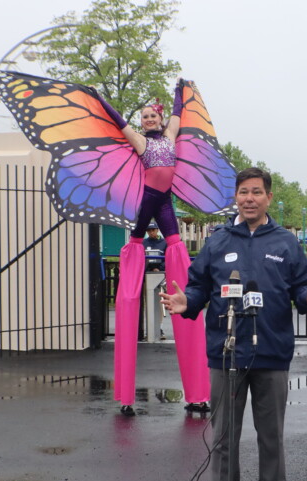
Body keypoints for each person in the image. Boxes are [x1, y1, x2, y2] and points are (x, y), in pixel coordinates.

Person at [161, 167, 307, 481]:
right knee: (224, 435)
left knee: (271, 436)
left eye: (256, 192)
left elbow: (300, 285)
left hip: (271, 351)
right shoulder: (218, 240)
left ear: (268, 197)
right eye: (243, 192)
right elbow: (198, 286)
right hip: (226, 354)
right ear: (236, 197)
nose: (249, 198)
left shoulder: (285, 241)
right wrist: (187, 302)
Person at [96, 82, 210, 417]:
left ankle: (198, 393)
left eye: (150, 115)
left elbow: (179, 114)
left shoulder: (170, 136)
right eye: (143, 116)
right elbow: (119, 122)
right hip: (147, 200)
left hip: (165, 203)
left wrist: (180, 91)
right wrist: (100, 99)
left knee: (175, 244)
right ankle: (127, 398)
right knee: (135, 242)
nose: (146, 119)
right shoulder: (141, 141)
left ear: (158, 118)